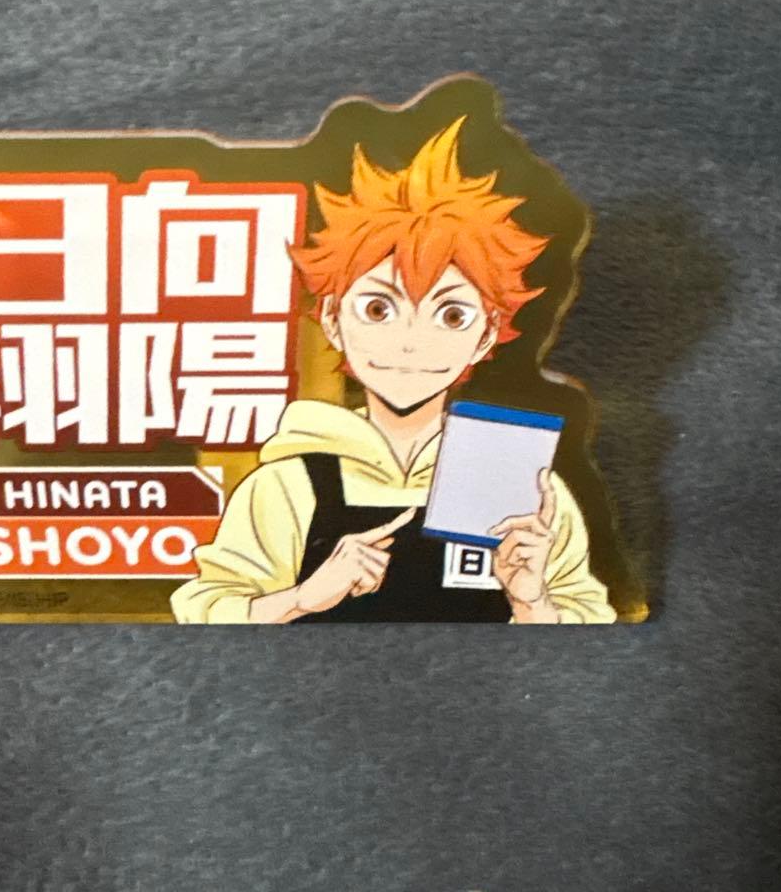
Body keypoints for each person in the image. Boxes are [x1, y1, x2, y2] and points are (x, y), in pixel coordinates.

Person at [170, 118, 614, 623]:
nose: (410, 342)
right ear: (332, 319)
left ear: (487, 333)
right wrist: (302, 597)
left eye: (451, 315)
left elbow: (592, 624)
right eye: (378, 309)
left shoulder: (522, 486)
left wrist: (531, 600)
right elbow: (204, 612)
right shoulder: (286, 485)